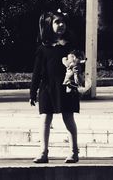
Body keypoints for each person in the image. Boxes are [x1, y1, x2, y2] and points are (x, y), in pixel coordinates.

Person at [30, 10, 80, 164]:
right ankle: (43, 152)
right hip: (47, 87)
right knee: (45, 118)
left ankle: (74, 152)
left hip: (66, 87)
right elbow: (37, 72)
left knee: (68, 118)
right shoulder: (43, 49)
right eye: (57, 22)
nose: (61, 25)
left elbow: (77, 65)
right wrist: (33, 92)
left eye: (63, 22)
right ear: (48, 25)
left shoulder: (70, 47)